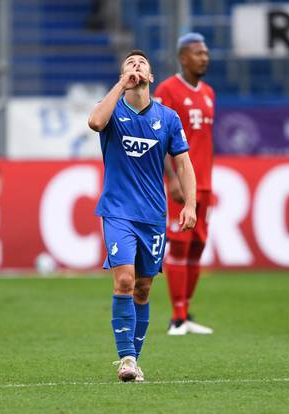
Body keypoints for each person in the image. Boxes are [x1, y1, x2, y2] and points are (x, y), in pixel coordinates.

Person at [88, 50, 197, 382]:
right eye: (128, 65)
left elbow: (183, 164)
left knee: (144, 289)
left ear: (151, 77)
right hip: (118, 211)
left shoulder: (168, 118)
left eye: (141, 64)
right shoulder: (112, 110)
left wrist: (189, 204)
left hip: (152, 214)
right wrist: (121, 84)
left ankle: (135, 359)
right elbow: (95, 122)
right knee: (124, 280)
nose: (135, 67)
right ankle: (127, 359)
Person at [154, 33, 215, 336]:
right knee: (178, 245)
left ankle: (186, 312)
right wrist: (173, 178)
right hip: (181, 183)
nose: (204, 57)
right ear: (183, 58)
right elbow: (158, 136)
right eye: (198, 53)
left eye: (205, 52)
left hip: (205, 183)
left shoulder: (209, 93)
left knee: (198, 246)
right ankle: (177, 317)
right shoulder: (167, 90)